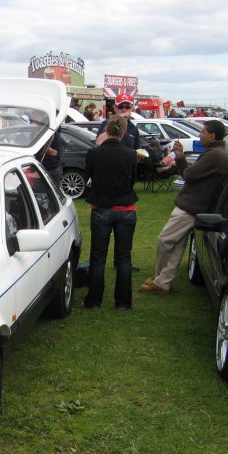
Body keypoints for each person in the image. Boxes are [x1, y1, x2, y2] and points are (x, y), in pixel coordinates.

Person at [139, 120, 228, 294]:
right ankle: (162, 283)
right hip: (195, 206)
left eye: (203, 131)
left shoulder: (215, 155)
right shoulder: (215, 153)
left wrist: (180, 157)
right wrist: (180, 155)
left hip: (191, 207)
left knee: (165, 241)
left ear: (212, 135)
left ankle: (159, 279)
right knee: (177, 246)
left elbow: (188, 174)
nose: (200, 134)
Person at [83, 115, 138, 310]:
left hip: (102, 208)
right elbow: (131, 182)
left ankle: (94, 300)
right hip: (125, 209)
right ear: (123, 132)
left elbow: (89, 178)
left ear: (106, 130)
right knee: (124, 257)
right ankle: (122, 302)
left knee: (98, 257)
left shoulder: (94, 153)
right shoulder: (131, 154)